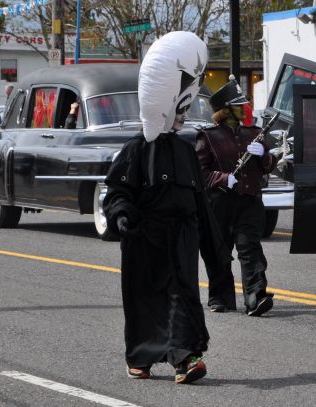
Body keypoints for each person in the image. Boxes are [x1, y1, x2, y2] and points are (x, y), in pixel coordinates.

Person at [102, 31, 219, 384]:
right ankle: (141, 358)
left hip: (180, 236)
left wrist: (217, 261)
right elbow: (116, 192)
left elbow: (201, 203)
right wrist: (122, 216)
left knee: (181, 294)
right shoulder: (135, 150)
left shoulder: (186, 150)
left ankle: (186, 359)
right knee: (145, 300)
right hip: (144, 238)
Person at [195, 78, 276, 317]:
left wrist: (263, 155)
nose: (246, 107)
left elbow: (268, 166)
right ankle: (220, 297)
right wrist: (223, 178)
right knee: (219, 251)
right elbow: (200, 173)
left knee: (250, 248)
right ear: (226, 110)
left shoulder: (255, 133)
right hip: (220, 202)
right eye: (239, 104)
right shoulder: (208, 136)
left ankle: (256, 297)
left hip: (249, 201)